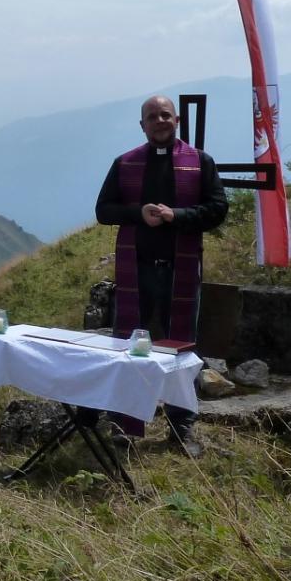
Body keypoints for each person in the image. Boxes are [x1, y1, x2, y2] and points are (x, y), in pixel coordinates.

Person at [95, 94, 228, 457]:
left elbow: (218, 209)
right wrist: (140, 213)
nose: (159, 121)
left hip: (179, 271)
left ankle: (181, 428)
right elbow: (103, 210)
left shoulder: (200, 162)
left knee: (180, 351)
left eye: (165, 115)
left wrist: (178, 216)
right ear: (142, 125)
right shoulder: (125, 164)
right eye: (152, 116)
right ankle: (125, 426)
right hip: (136, 272)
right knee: (129, 349)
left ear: (177, 120)